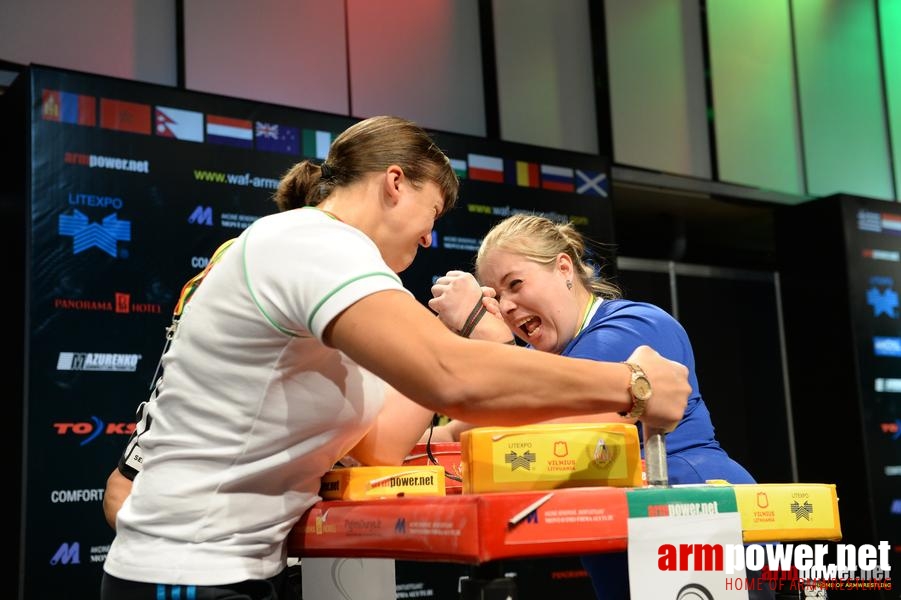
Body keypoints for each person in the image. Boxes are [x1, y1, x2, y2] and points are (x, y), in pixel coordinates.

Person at [100, 115, 691, 600]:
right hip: (187, 570)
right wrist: (632, 384)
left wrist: (461, 341)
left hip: (236, 568)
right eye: (432, 214)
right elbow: (450, 379)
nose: (430, 238)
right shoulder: (313, 243)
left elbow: (382, 442)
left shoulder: (333, 275)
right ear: (394, 183)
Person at [425, 213, 768, 600]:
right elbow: (461, 430)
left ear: (564, 268)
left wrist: (485, 333)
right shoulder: (544, 364)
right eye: (495, 296)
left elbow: (548, 429)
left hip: (694, 515)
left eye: (515, 284)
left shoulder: (636, 326)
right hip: (624, 540)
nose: (506, 307)